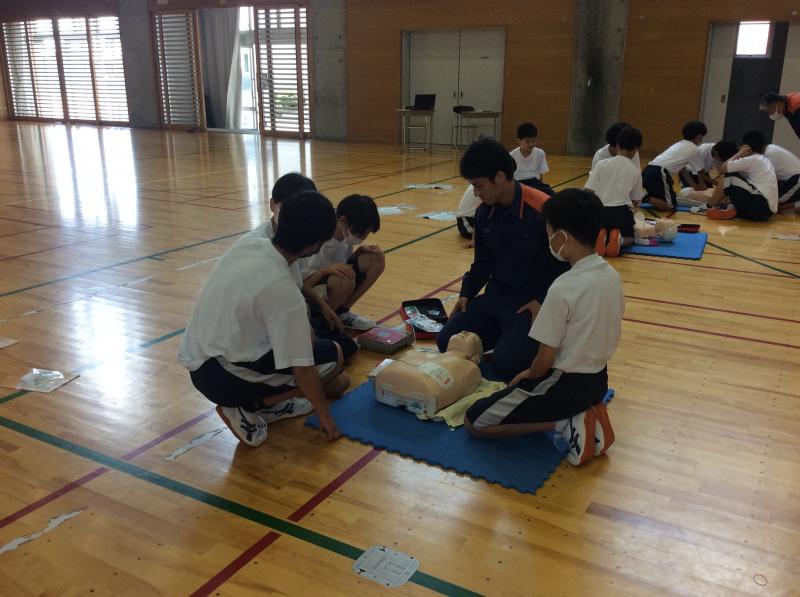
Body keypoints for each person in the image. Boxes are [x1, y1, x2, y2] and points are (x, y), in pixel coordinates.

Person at [464, 188, 623, 467]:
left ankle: (565, 423)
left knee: (475, 421)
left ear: (562, 237)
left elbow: (544, 360)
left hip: (564, 386)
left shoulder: (563, 286)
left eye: (550, 234)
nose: (549, 241)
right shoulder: (612, 275)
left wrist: (527, 376)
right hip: (599, 381)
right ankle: (579, 413)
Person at [178, 192, 347, 446]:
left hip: (200, 355)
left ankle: (267, 406)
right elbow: (303, 371)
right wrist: (325, 416)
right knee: (333, 358)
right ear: (314, 245)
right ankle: (246, 406)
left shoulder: (252, 242)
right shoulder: (284, 292)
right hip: (220, 375)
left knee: (318, 353)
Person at [436, 138, 566, 381]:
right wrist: (466, 293)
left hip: (529, 304)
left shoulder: (543, 209)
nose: (476, 193)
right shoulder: (484, 212)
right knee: (446, 341)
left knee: (507, 365)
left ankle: (511, 341)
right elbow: (482, 263)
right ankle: (505, 337)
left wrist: (542, 300)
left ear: (499, 177)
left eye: (479, 186)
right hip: (497, 297)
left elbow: (565, 265)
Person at [299, 194, 384, 332]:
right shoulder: (319, 240)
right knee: (344, 280)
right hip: (308, 294)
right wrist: (326, 270)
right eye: (361, 233)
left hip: (328, 281)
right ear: (343, 220)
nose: (362, 238)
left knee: (375, 259)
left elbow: (343, 263)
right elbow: (302, 286)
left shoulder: (345, 235)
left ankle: (341, 312)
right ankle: (319, 323)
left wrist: (358, 253)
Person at [584, 126, 643, 257]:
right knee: (631, 238)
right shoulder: (635, 171)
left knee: (591, 230)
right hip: (621, 213)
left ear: (616, 144)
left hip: (599, 211)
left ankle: (600, 236)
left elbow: (588, 191)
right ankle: (619, 240)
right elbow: (636, 200)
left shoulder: (601, 164)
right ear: (635, 150)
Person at [251, 172, 317, 287]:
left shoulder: (302, 235)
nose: (294, 216)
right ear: (272, 205)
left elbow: (302, 282)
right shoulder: (258, 244)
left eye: (301, 210)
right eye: (287, 208)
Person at [706, 130, 778, 221]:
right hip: (766, 212)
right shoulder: (765, 160)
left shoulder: (752, 159)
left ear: (747, 146)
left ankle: (708, 206)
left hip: (760, 204)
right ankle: (730, 210)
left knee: (728, 178)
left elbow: (723, 169)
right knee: (733, 191)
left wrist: (740, 153)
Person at [641, 121, 707, 211]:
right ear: (699, 136)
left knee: (663, 199)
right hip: (659, 172)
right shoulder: (695, 149)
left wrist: (694, 186)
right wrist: (702, 185)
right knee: (670, 205)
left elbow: (683, 170)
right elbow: (700, 171)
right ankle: (643, 197)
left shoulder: (680, 144)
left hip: (648, 169)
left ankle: (644, 196)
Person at [676, 141, 737, 208]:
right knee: (688, 194)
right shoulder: (701, 151)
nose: (720, 160)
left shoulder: (721, 150)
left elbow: (722, 171)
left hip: (703, 172)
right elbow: (700, 174)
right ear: (716, 154)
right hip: (689, 174)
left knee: (713, 193)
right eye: (720, 159)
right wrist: (717, 184)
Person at [510, 122, 554, 195]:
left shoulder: (540, 153)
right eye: (527, 141)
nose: (531, 144)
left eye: (533, 141)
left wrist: (542, 191)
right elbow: (510, 178)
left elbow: (540, 176)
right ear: (519, 140)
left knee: (552, 195)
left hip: (535, 183)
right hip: (519, 184)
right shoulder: (512, 155)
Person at [764, 141, 800, 211]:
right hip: (794, 180)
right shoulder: (770, 152)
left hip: (795, 180)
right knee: (768, 203)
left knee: (768, 203)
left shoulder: (770, 150)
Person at [456, 184, 482, 248]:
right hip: (466, 222)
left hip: (473, 218)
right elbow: (480, 210)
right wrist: (474, 240)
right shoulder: (488, 186)